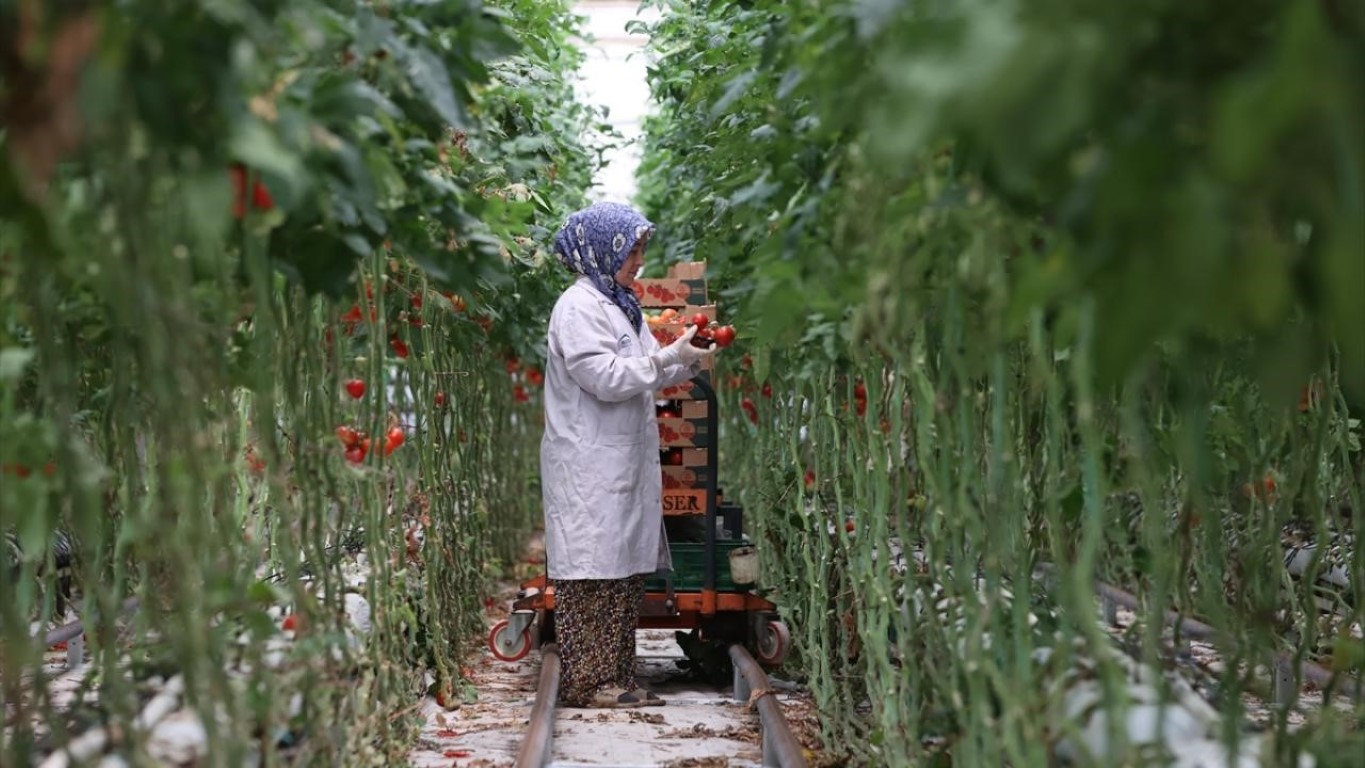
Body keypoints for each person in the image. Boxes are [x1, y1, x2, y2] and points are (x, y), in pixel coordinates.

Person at [540, 201, 716, 708]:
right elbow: (606, 377)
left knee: (620, 572)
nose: (639, 259)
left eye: (641, 249)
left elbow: (645, 369)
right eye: (633, 249)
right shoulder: (577, 307)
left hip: (618, 460)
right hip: (588, 462)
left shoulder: (618, 303)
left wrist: (685, 358)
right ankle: (586, 683)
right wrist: (665, 357)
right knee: (592, 573)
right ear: (603, 248)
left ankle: (615, 680)